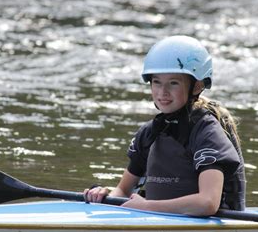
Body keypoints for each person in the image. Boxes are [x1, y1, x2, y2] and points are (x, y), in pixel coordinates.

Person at [84, 35, 246, 216]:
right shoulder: (150, 132)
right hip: (157, 220)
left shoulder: (207, 132)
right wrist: (104, 196)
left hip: (210, 229)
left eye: (173, 83)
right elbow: (123, 191)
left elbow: (208, 203)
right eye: (156, 82)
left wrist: (148, 207)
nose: (163, 92)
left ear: (197, 86)